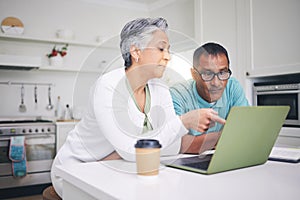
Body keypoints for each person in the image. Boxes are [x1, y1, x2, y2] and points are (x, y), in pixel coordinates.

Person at [50, 17, 218, 198]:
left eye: (169, 50)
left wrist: (131, 150)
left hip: (118, 167)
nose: (168, 56)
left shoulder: (160, 89)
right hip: (77, 170)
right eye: (161, 49)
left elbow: (172, 144)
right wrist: (183, 122)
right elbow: (131, 151)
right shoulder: (108, 86)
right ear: (136, 51)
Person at [170, 42, 249, 154]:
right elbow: (179, 144)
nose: (216, 83)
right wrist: (224, 137)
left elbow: (246, 128)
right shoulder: (177, 94)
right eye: (207, 74)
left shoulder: (232, 86)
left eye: (222, 72)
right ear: (193, 74)